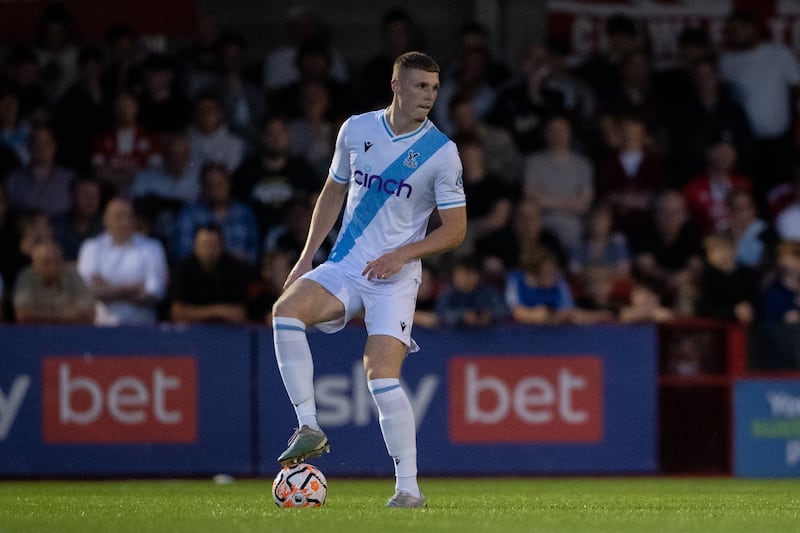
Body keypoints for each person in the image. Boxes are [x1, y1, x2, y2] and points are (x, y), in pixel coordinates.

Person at [270, 52, 466, 509]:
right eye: (420, 87)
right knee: (285, 311)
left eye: (435, 90)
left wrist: (403, 254)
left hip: (395, 279)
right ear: (396, 85)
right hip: (346, 264)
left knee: (381, 377)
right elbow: (333, 191)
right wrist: (305, 259)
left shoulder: (441, 153)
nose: (429, 97)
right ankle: (309, 426)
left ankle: (408, 490)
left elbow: (455, 231)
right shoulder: (356, 129)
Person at [77, 197, 168, 326]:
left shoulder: (152, 247)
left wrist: (108, 289)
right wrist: (133, 288)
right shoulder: (91, 247)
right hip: (104, 327)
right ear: (106, 221)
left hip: (144, 327)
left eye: (129, 216)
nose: (125, 222)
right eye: (118, 217)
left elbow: (155, 292)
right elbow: (87, 290)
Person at [522, 115, 594, 250]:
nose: (557, 135)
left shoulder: (583, 165)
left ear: (569, 132)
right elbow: (531, 197)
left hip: (574, 225)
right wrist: (569, 202)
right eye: (553, 130)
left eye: (562, 130)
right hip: (542, 222)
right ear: (545, 133)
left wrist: (548, 201)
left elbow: (584, 203)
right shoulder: (534, 162)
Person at [169, 223, 251, 324]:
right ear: (195, 246)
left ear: (222, 246)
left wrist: (195, 313)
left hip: (227, 334)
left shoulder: (236, 270)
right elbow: (178, 313)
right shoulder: (182, 269)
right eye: (204, 245)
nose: (209, 251)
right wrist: (218, 310)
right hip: (191, 333)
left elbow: (239, 314)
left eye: (213, 245)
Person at [13, 240, 95, 324]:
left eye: (57, 261)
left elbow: (89, 314)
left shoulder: (73, 275)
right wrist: (65, 315)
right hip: (35, 334)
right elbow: (23, 315)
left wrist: (39, 314)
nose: (53, 267)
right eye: (46, 262)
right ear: (35, 264)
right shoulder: (26, 277)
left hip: (70, 333)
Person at [435, 255, 507, 328]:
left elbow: (504, 310)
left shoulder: (488, 292)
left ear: (478, 276)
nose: (465, 278)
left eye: (470, 274)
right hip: (452, 335)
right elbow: (439, 315)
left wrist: (489, 315)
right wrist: (462, 316)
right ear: (453, 275)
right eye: (461, 273)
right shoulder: (448, 293)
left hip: (487, 334)